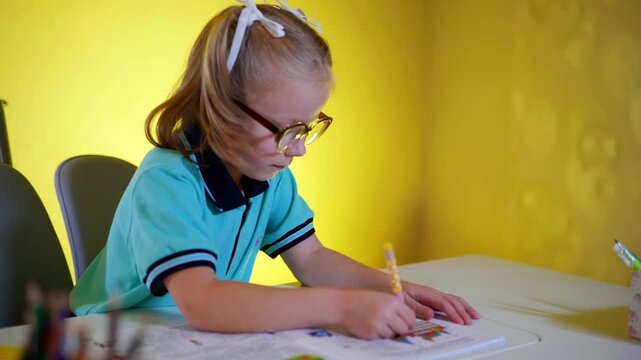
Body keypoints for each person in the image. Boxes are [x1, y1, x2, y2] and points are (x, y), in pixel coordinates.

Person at [70, 0, 479, 340]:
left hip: (192, 337)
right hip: (111, 336)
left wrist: (399, 290)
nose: (298, 148)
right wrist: (342, 305)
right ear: (222, 108)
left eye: (307, 127)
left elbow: (313, 259)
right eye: (286, 130)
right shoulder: (167, 181)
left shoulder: (269, 174)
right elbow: (205, 301)